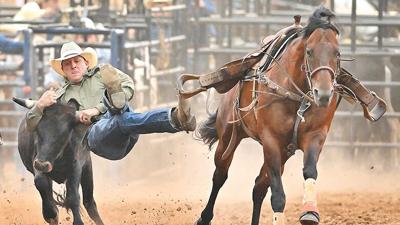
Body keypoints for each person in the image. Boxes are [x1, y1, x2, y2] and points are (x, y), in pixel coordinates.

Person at [25, 41, 196, 160]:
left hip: (125, 127)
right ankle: (174, 118)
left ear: (86, 63)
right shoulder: (60, 96)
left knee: (121, 114)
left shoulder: (101, 72)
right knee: (120, 115)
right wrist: (40, 105)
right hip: (96, 137)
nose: (73, 66)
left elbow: (129, 85)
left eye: (77, 61)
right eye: (68, 64)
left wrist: (96, 109)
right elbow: (31, 126)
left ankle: (113, 102)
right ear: (63, 69)